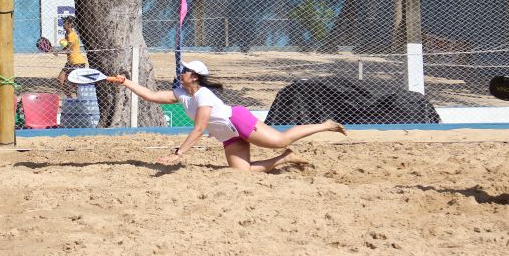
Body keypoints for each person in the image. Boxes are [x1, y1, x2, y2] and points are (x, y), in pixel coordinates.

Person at [107, 60, 347, 172]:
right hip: (226, 134)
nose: (182, 72)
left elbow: (199, 129)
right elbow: (149, 95)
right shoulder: (182, 93)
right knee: (242, 173)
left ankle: (325, 124)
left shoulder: (203, 96)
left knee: (280, 140)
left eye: (186, 70)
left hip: (238, 122)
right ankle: (286, 158)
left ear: (195, 76)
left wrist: (178, 153)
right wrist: (125, 81)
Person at [56, 16, 87, 97]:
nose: (63, 24)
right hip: (70, 62)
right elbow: (66, 47)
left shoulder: (72, 35)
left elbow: (68, 50)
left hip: (77, 62)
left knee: (75, 85)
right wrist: (57, 51)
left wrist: (58, 52)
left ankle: (79, 99)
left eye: (65, 23)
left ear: (69, 24)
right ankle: (70, 99)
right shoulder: (67, 33)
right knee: (60, 79)